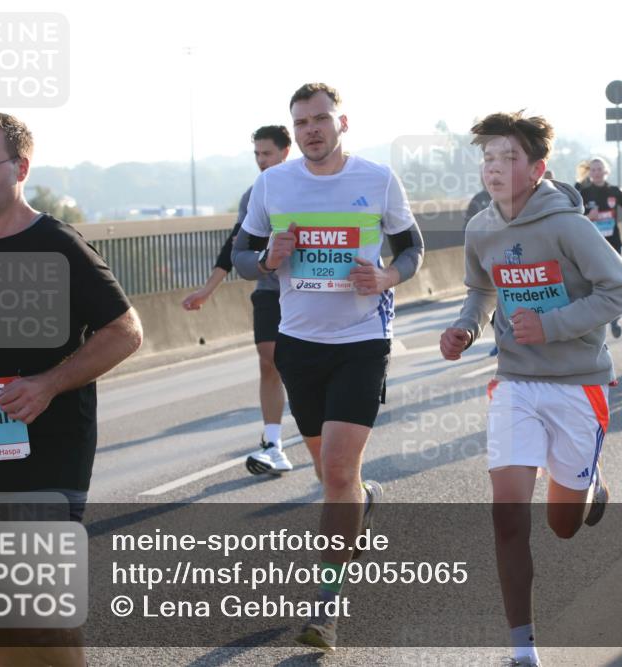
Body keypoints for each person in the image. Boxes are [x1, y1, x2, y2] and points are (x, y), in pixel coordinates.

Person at [0, 112, 143, 666]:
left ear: (21, 167)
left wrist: (47, 383)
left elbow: (126, 331)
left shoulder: (59, 246)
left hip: (50, 451)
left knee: (40, 614)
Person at [440, 111, 622, 667]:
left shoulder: (568, 226)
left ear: (536, 168)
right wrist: (466, 328)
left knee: (563, 526)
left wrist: (552, 325)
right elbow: (480, 292)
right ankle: (522, 647)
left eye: (507, 159)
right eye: (488, 159)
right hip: (516, 382)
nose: (495, 169)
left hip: (578, 384)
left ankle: (589, 482)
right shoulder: (481, 227)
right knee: (507, 514)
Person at [231, 83, 425, 652]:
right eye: (301, 123)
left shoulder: (377, 179)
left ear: (342, 123)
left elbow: (412, 248)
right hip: (299, 344)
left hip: (363, 340)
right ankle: (360, 503)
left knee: (338, 471)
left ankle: (328, 604)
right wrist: (269, 258)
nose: (311, 129)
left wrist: (389, 276)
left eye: (320, 119)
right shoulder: (273, 184)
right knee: (328, 476)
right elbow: (243, 255)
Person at [183, 125, 293, 475]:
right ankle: (273, 444)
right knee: (268, 360)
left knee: (303, 365)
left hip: (309, 291)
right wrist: (206, 291)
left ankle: (322, 422)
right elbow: (235, 246)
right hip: (268, 288)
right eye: (257, 155)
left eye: (268, 154)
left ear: (285, 152)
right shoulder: (254, 194)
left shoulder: (309, 186)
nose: (261, 161)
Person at [577, 157, 622, 338]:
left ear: (606, 171)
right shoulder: (583, 193)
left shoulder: (614, 191)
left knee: (615, 281)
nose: (597, 172)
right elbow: (572, 219)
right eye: (593, 169)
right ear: (589, 173)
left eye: (600, 169)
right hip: (592, 245)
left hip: (613, 243)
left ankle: (615, 317)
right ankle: (598, 322)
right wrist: (587, 217)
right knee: (594, 285)